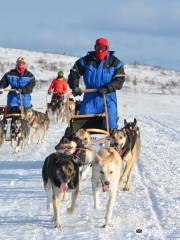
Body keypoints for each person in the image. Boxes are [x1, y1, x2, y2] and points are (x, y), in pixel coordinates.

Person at [68, 37, 125, 130]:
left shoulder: (115, 62)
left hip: (108, 98)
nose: (100, 50)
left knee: (111, 124)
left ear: (107, 48)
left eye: (103, 48)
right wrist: (75, 86)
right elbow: (74, 73)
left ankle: (111, 140)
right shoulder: (86, 60)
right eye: (98, 47)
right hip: (90, 98)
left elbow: (119, 80)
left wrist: (107, 88)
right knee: (83, 125)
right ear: (95, 47)